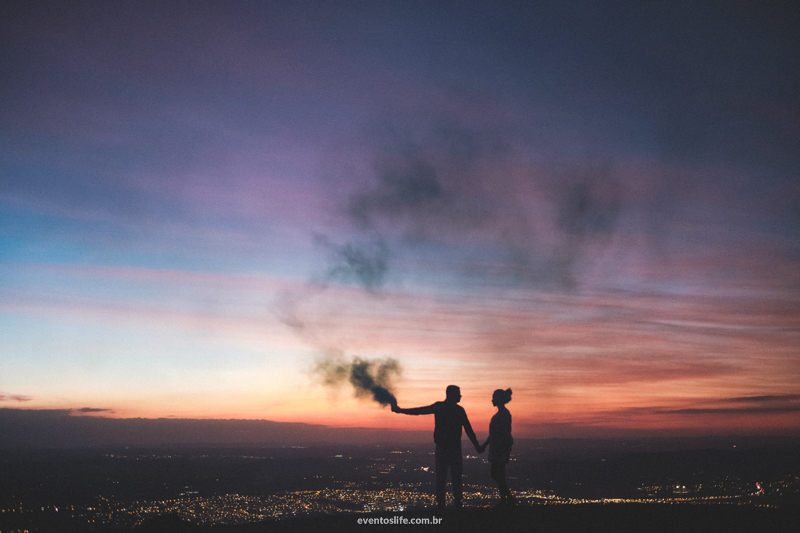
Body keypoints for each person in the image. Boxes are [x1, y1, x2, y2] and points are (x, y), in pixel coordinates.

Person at [392, 385, 481, 509]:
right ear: (451, 394)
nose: (460, 396)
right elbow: (468, 429)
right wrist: (476, 445)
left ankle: (441, 507)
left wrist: (401, 410)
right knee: (455, 479)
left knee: (442, 479)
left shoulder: (441, 407)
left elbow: (420, 411)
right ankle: (457, 507)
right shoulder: (458, 410)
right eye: (458, 393)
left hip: (444, 449)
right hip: (452, 450)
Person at [478, 388, 515, 507]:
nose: (491, 400)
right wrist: (485, 445)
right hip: (498, 447)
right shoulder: (502, 414)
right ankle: (506, 500)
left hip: (500, 448)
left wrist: (488, 446)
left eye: (493, 398)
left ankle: (507, 499)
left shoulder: (503, 414)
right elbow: (494, 434)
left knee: (497, 474)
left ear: (498, 399)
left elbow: (501, 433)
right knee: (498, 474)